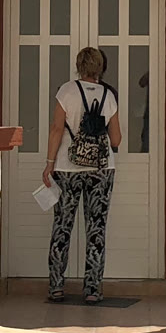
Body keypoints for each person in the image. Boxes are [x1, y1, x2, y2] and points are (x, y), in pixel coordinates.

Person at [41, 46, 123, 304]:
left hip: (67, 168)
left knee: (62, 226)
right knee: (96, 228)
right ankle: (93, 289)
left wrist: (49, 163)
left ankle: (56, 287)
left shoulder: (66, 91)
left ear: (79, 66)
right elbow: (116, 139)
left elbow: (56, 129)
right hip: (101, 169)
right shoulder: (108, 95)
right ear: (100, 67)